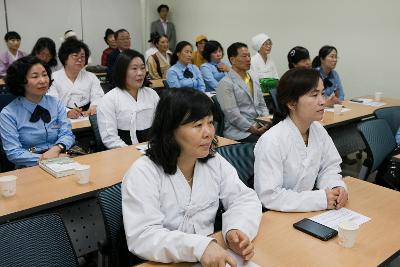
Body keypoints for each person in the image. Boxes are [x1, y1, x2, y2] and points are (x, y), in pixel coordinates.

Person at [122, 87, 262, 265]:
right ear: (170, 129)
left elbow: (244, 199)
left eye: (210, 123)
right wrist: (198, 247)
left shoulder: (214, 162)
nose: (208, 133)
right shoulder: (144, 172)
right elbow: (143, 236)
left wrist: (236, 230)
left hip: (212, 255)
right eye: (198, 125)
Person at [254, 68, 348, 212]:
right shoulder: (272, 141)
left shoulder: (318, 130)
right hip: (279, 215)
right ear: (292, 104)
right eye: (314, 95)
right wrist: (319, 200)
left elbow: (329, 166)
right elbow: (269, 196)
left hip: (308, 211)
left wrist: (335, 186)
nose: (323, 101)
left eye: (322, 93)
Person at [0, 56, 75, 167]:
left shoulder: (56, 103)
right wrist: (46, 159)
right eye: (35, 76)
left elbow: (67, 133)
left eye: (45, 75)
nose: (43, 81)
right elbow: (13, 152)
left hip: (61, 154)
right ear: (20, 81)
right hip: (30, 164)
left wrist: (56, 149)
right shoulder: (9, 113)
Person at [97, 50, 159, 149]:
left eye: (142, 68)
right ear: (122, 71)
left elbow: (161, 127)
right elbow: (110, 138)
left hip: (152, 149)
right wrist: (132, 152)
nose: (140, 73)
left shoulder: (152, 94)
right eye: (134, 68)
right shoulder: (109, 100)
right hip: (123, 151)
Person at [216, 42, 269, 143]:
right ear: (232, 60)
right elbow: (233, 115)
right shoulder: (225, 84)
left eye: (249, 55)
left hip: (259, 124)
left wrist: (266, 122)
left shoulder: (253, 77)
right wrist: (254, 130)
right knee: (265, 144)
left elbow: (262, 104)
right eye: (244, 56)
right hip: (240, 131)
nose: (248, 59)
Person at [48, 38, 104, 119]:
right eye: (75, 56)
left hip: (88, 116)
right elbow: (52, 101)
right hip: (61, 116)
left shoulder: (91, 77)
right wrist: (67, 112)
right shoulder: (53, 78)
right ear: (65, 58)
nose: (80, 59)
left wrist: (94, 107)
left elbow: (98, 96)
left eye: (82, 56)